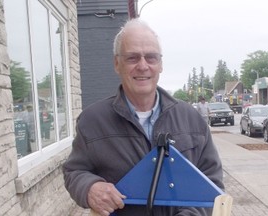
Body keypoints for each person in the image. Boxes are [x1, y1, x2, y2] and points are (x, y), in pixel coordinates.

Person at [63, 18, 224, 216]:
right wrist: (89, 188)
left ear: (160, 64)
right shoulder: (92, 120)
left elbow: (213, 184)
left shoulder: (191, 118)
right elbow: (74, 171)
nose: (142, 65)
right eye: (132, 58)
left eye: (151, 57)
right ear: (116, 64)